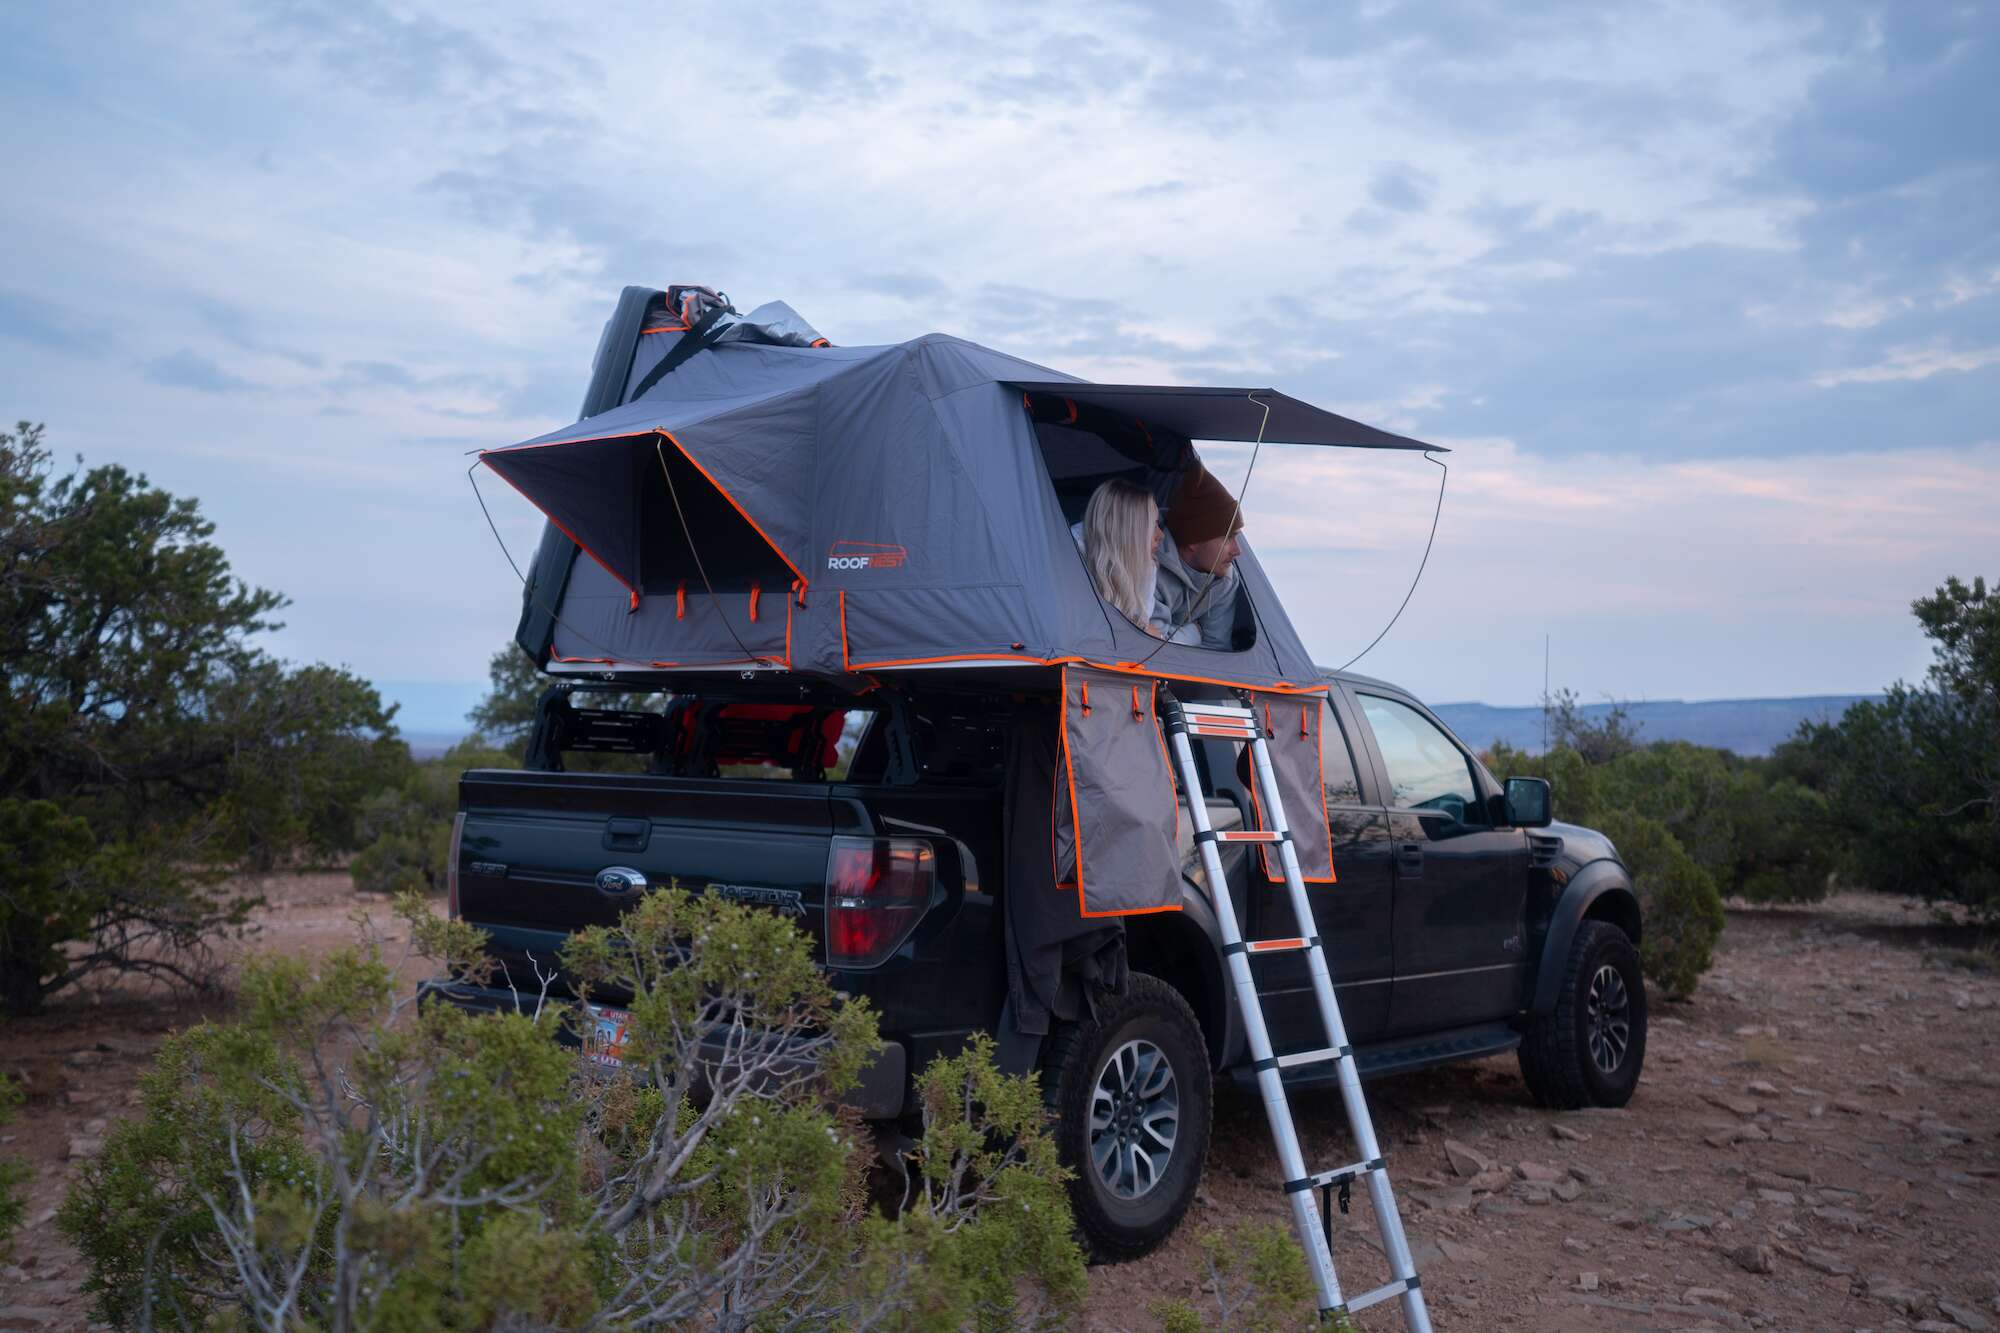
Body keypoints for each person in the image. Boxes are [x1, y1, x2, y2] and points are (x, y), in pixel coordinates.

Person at [1153, 456, 1245, 650]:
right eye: (1227, 538)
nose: (1238, 551)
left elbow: (1215, 649)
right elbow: (1153, 647)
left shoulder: (1225, 580)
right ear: (1193, 540)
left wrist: (1175, 634)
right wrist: (1194, 633)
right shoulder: (1150, 567)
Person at [1078, 479, 1165, 636]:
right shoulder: (1070, 566)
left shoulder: (1144, 566)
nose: (1161, 535)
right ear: (1128, 532)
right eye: (1153, 526)